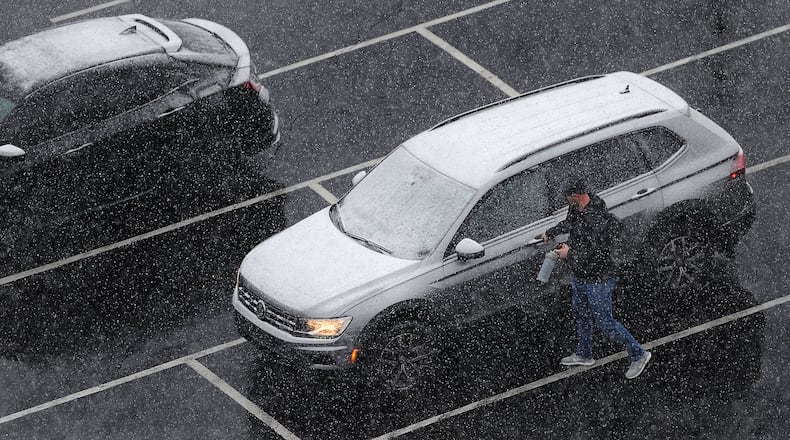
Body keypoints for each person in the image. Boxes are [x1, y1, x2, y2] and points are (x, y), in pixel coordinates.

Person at [542, 178, 651, 379]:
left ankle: (639, 354)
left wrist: (569, 254)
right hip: (581, 275)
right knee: (581, 314)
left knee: (606, 323)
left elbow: (597, 253)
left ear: (575, 196)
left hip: (598, 278)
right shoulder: (577, 209)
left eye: (567, 198)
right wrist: (552, 232)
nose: (566, 202)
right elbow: (570, 223)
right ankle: (584, 354)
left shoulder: (599, 220)